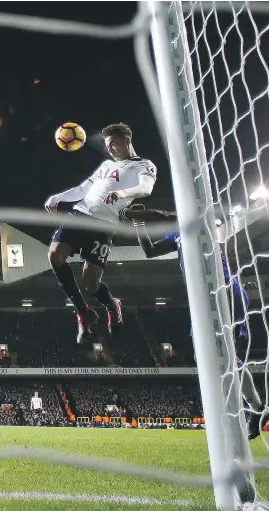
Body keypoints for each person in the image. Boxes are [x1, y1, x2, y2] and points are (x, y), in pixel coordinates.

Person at [128, 205, 266, 440]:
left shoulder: (202, 221)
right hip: (201, 299)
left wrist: (141, 214)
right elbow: (150, 251)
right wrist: (138, 226)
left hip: (225, 291)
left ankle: (251, 409)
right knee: (202, 356)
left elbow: (166, 214)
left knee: (227, 354)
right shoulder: (177, 235)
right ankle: (255, 406)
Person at [44, 123, 157, 345]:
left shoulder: (144, 165)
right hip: (79, 213)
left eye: (114, 143)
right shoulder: (106, 165)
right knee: (55, 255)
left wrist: (122, 192)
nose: (111, 149)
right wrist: (58, 197)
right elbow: (82, 189)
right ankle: (82, 312)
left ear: (127, 139)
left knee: (91, 283)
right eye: (108, 146)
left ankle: (112, 305)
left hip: (104, 226)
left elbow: (146, 188)